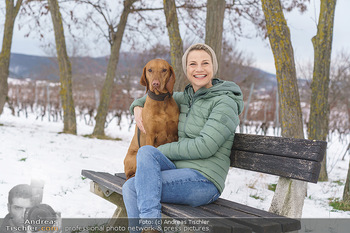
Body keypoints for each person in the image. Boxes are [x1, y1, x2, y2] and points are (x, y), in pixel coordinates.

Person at [122, 43, 244, 233]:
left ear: (214, 67)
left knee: (138, 176)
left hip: (205, 180)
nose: (199, 69)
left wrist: (159, 151)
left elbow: (205, 146)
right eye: (192, 64)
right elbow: (153, 96)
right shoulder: (186, 97)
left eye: (205, 63)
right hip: (180, 172)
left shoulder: (225, 102)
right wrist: (136, 107)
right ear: (186, 69)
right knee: (135, 176)